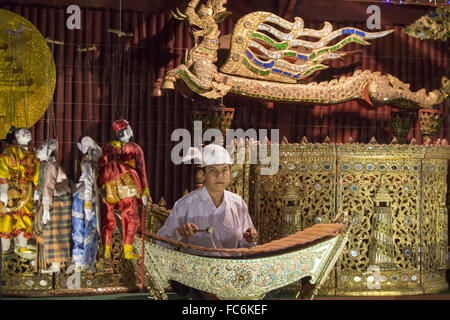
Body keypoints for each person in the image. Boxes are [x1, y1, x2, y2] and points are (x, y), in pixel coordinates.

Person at [156, 144, 258, 299]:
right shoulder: (185, 205)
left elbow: (247, 245)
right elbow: (160, 244)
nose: (220, 175)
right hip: (196, 275)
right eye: (213, 171)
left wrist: (251, 238)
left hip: (229, 273)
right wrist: (178, 233)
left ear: (230, 173)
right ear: (203, 174)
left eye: (224, 170)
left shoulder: (238, 204)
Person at [99, 119, 150, 259]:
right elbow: (141, 169)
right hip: (127, 183)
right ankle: (128, 250)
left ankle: (106, 248)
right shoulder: (134, 148)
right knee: (130, 214)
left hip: (108, 185)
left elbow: (101, 167)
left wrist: (100, 186)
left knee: (107, 216)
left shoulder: (107, 148)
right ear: (128, 130)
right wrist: (145, 191)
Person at [33, 139, 72, 273]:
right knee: (52, 231)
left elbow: (48, 186)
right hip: (57, 199)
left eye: (42, 148)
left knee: (53, 231)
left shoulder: (51, 165)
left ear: (49, 151)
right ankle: (51, 263)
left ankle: (55, 265)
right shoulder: (46, 165)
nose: (38, 150)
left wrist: (46, 209)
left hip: (56, 200)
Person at [0, 127, 39, 258]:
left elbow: (37, 173)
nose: (27, 135)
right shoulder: (9, 152)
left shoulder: (33, 153)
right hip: (12, 187)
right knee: (7, 216)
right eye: (23, 134)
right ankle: (5, 247)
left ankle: (22, 245)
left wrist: (38, 190)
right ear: (16, 137)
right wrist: (4, 191)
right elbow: (3, 172)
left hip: (26, 190)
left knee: (25, 216)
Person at [71, 136, 102, 272]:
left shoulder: (91, 162)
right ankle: (83, 261)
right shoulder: (88, 163)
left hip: (85, 196)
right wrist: (88, 205)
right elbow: (89, 183)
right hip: (85, 197)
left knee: (84, 228)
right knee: (85, 227)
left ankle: (84, 261)